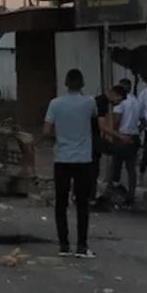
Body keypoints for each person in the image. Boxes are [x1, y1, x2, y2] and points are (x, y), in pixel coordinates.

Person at [44, 68, 98, 258]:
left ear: (65, 83)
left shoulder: (55, 104)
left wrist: (59, 137)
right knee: (82, 203)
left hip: (62, 158)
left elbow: (46, 130)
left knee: (61, 202)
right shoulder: (90, 102)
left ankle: (64, 245)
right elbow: (94, 120)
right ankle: (82, 246)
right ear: (82, 83)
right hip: (83, 160)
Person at [102, 83, 141, 205]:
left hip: (121, 138)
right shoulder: (137, 102)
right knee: (131, 168)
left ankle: (110, 194)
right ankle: (131, 195)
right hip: (134, 137)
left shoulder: (120, 104)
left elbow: (116, 122)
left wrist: (112, 136)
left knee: (115, 167)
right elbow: (144, 120)